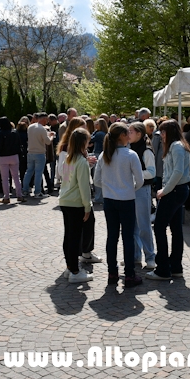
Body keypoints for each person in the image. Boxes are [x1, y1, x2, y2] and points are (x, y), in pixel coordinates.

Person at [93, 123, 144, 288]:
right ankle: (129, 274)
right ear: (121, 136)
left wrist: (109, 187)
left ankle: (112, 273)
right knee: (127, 237)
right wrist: (129, 187)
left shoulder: (104, 155)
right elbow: (140, 180)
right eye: (127, 132)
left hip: (110, 200)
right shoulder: (130, 155)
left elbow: (96, 181)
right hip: (126, 200)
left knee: (112, 237)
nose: (129, 135)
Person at [146, 119, 190, 281]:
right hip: (177, 190)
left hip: (175, 191)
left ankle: (164, 268)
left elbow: (178, 172)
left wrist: (165, 190)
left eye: (163, 132)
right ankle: (175, 266)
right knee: (176, 228)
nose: (161, 136)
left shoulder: (176, 146)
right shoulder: (178, 146)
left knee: (159, 227)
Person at [58, 128, 95, 284]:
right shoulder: (80, 161)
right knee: (74, 238)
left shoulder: (68, 158)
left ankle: (70, 266)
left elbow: (66, 180)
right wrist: (88, 206)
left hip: (65, 200)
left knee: (69, 236)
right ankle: (74, 270)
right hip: (75, 203)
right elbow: (84, 187)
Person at [128, 122, 156, 269]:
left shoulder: (146, 151)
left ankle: (150, 256)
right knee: (132, 225)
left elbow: (152, 172)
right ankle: (135, 256)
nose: (128, 134)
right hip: (130, 190)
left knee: (144, 224)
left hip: (142, 190)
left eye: (130, 131)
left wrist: (134, 174)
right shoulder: (128, 148)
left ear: (139, 134)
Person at [0, 116, 26, 204]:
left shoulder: (1, 133)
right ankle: (19, 195)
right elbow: (19, 144)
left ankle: (6, 197)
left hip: (3, 156)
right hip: (14, 156)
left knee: (5, 178)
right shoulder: (15, 132)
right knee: (16, 176)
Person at [23, 113, 54, 198]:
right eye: (46, 120)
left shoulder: (30, 127)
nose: (47, 122)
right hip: (39, 153)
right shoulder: (42, 129)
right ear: (43, 119)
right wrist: (51, 136)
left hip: (30, 152)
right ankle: (37, 192)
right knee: (38, 173)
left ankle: (25, 190)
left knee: (29, 172)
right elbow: (47, 142)